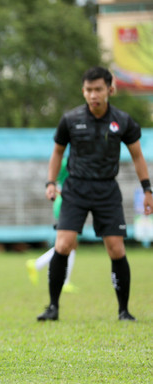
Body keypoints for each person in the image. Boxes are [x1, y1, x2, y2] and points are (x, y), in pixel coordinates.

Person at [37, 66, 152, 322]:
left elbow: (137, 156)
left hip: (107, 190)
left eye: (98, 89)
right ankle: (53, 307)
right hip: (75, 189)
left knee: (116, 249)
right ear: (83, 91)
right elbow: (57, 153)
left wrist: (147, 189)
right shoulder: (70, 119)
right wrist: (51, 182)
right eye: (88, 90)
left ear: (110, 89)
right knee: (63, 244)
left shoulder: (123, 121)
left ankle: (124, 311)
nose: (93, 95)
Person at [26, 157, 77, 292]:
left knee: (70, 244)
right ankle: (38, 265)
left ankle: (64, 280)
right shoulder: (68, 162)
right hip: (66, 204)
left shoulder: (69, 161)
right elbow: (57, 181)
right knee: (66, 244)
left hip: (67, 203)